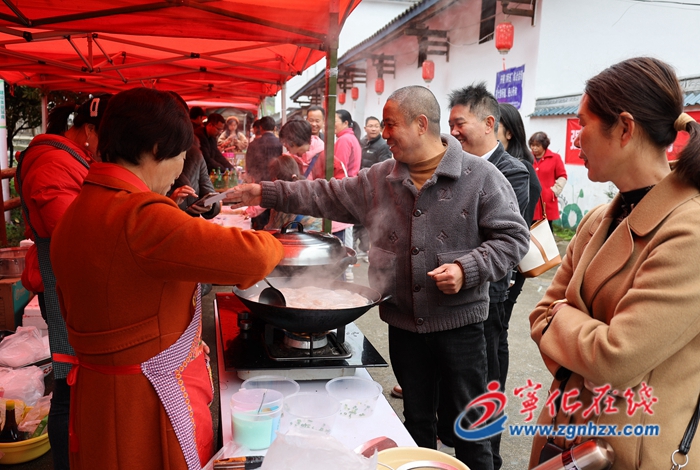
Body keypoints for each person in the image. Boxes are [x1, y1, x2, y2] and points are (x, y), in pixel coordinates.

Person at [231, 86, 530, 470]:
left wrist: (466, 269)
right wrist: (264, 192)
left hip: (461, 327)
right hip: (404, 325)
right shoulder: (380, 178)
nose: (383, 133)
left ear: (421, 125)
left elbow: (513, 239)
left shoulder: (481, 176)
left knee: (472, 427)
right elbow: (323, 194)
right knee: (416, 420)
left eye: (391, 125)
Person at [49, 88, 283, 470]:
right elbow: (252, 257)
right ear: (157, 149)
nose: (179, 169)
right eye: (180, 156)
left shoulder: (79, 209)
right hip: (143, 405)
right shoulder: (139, 216)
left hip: (96, 397)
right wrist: (279, 243)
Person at [528, 57, 700, 469]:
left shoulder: (689, 231)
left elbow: (615, 359)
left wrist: (563, 320)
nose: (576, 141)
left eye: (583, 125)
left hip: (629, 447)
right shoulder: (597, 220)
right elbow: (538, 316)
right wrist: (584, 340)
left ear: (624, 128)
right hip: (564, 430)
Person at [15, 93, 112, 470]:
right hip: (64, 289)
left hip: (72, 287)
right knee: (68, 387)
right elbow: (72, 234)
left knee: (77, 385)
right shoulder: (52, 162)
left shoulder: (71, 158)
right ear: (89, 131)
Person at [447, 83, 530, 470]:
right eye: (451, 124)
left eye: (460, 123)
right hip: (455, 290)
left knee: (485, 379)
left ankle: (489, 457)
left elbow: (499, 238)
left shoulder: (512, 172)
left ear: (488, 123)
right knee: (461, 380)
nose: (453, 132)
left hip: (488, 292)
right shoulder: (454, 163)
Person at [499, 103, 542, 335]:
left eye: (493, 125)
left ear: (509, 133)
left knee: (499, 327)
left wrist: (512, 270)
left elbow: (520, 222)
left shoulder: (520, 169)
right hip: (505, 258)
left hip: (513, 261)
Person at [354, 116, 392, 261]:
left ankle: (365, 250)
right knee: (359, 217)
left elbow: (384, 167)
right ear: (365, 128)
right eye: (371, 126)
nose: (374, 128)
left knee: (368, 219)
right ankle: (359, 249)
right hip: (360, 184)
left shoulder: (383, 145)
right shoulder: (362, 142)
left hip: (373, 186)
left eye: (376, 126)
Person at [265, 155, 322, 231]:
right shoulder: (306, 189)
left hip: (300, 236)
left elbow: (272, 231)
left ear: (275, 179)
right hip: (317, 234)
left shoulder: (281, 202)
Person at [528, 131, 567, 228]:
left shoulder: (555, 158)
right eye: (532, 145)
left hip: (547, 201)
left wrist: (554, 191)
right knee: (529, 229)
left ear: (544, 145)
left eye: (537, 146)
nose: (534, 148)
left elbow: (562, 176)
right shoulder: (527, 157)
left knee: (546, 230)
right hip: (530, 200)